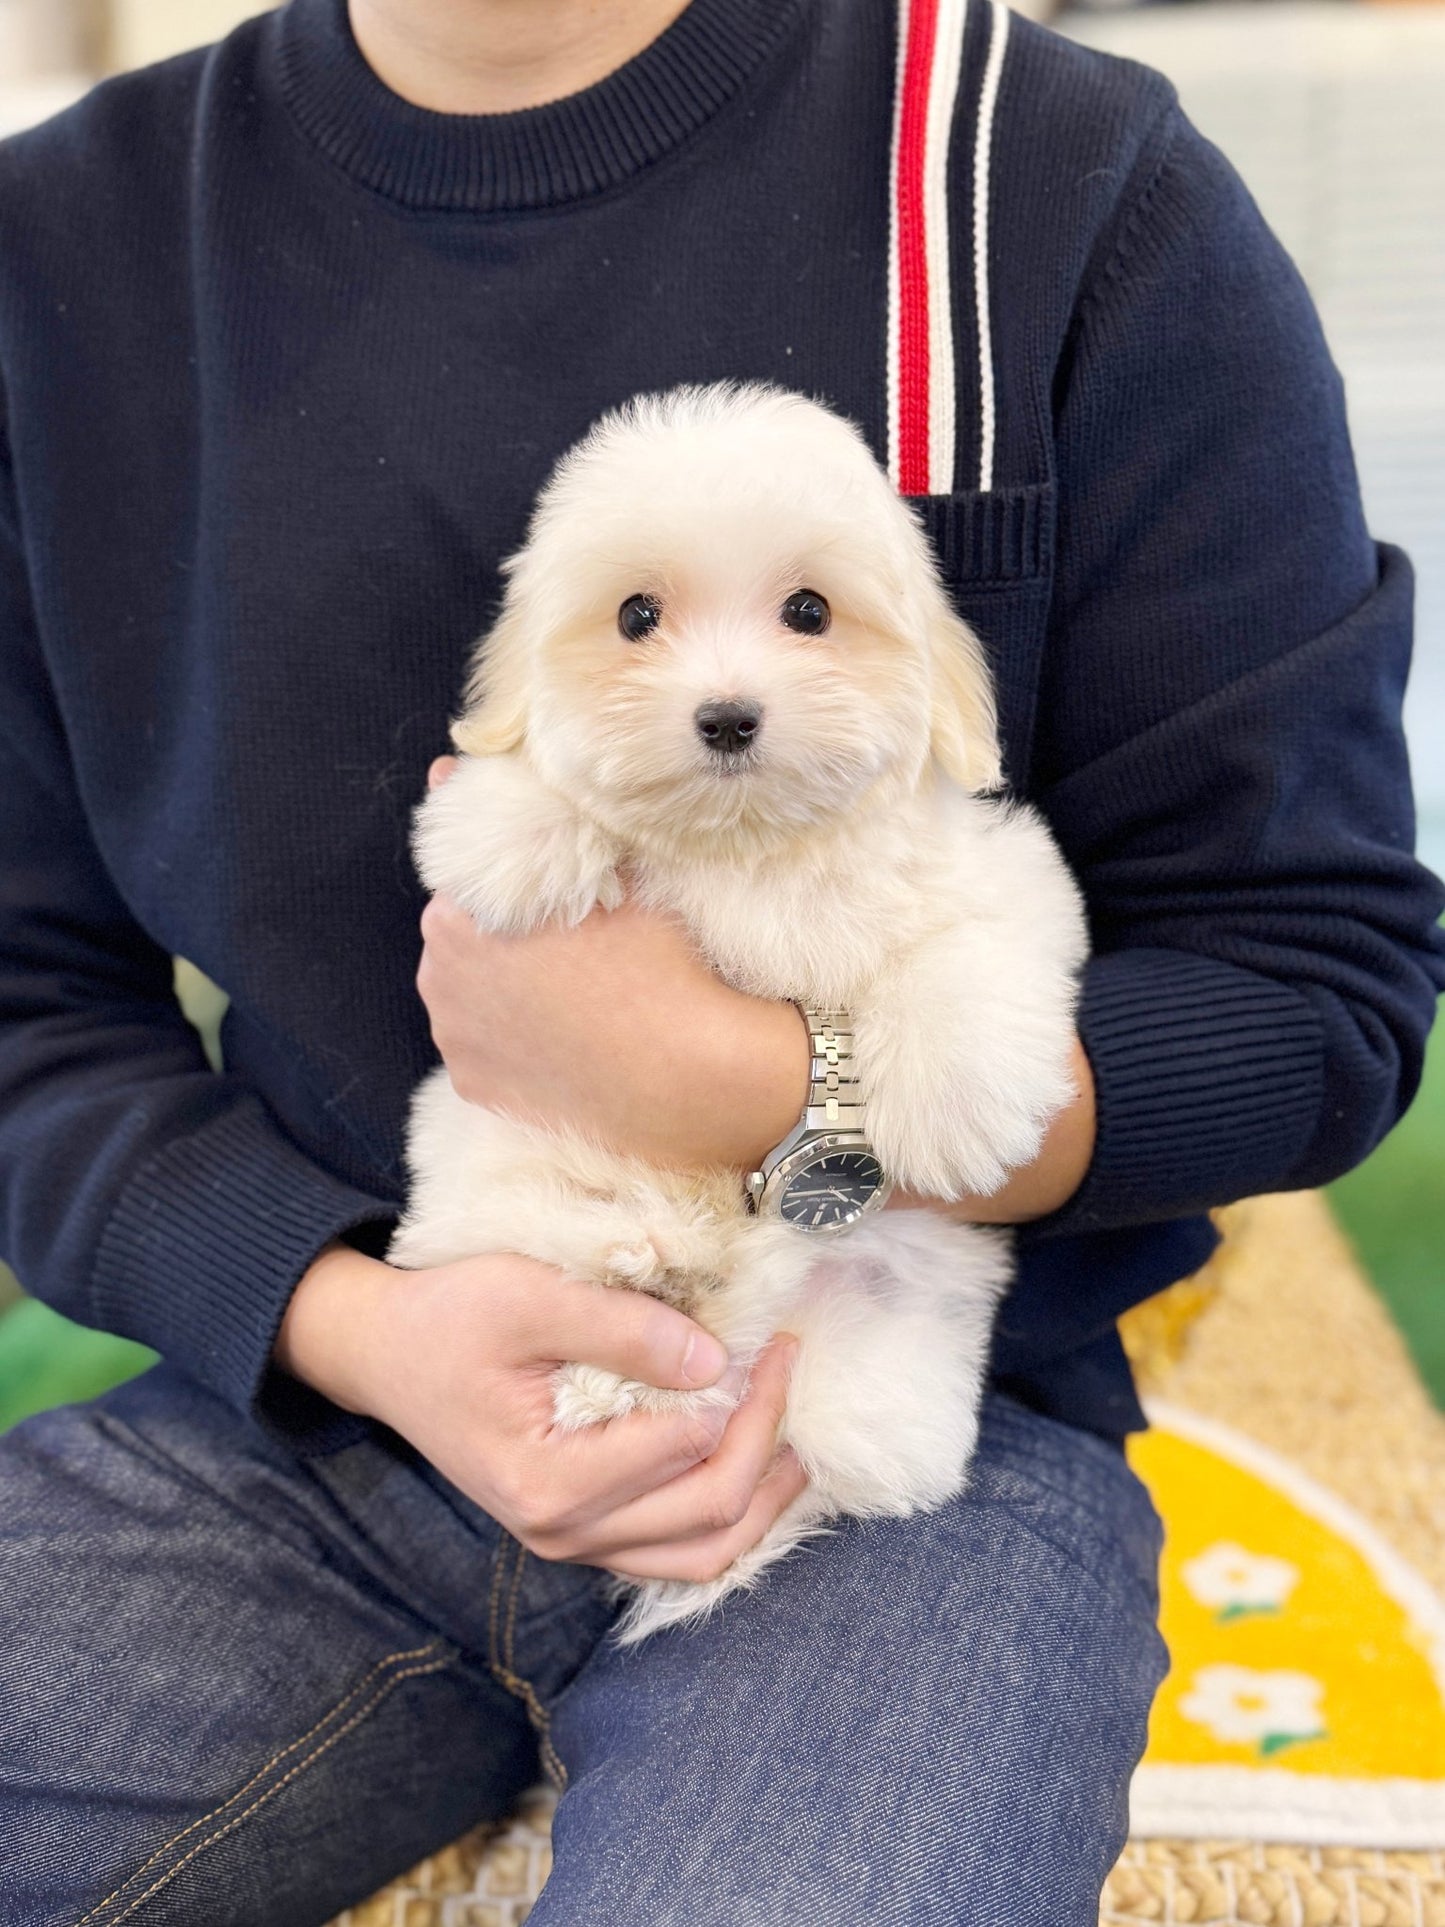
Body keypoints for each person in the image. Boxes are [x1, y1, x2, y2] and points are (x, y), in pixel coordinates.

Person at [0, 0, 1440, 1920]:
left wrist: (782, 1102)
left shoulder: (1057, 181)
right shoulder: (67, 249)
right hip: (317, 1408)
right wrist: (357, 1326)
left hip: (901, 1438)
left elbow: (1316, 997)